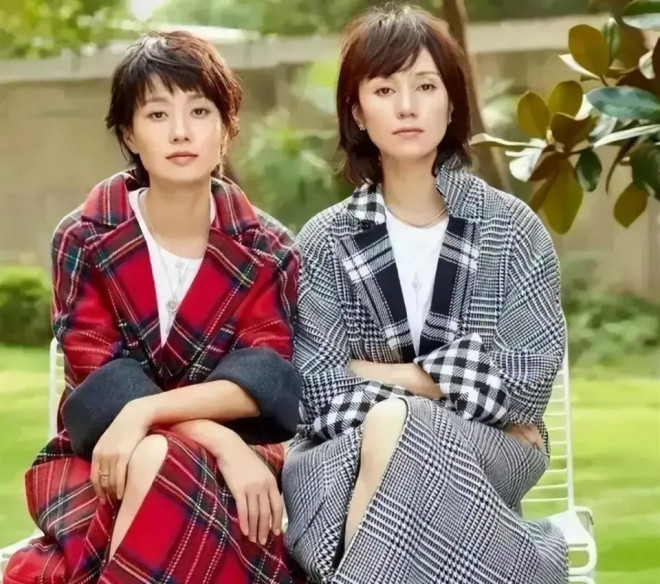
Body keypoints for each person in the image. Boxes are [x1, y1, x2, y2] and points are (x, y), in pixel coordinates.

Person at [282, 4, 568, 583]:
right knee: (395, 427)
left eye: (426, 86)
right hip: (344, 459)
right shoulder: (325, 240)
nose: (407, 106)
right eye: (385, 89)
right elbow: (315, 390)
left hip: (489, 455)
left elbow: (530, 377)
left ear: (452, 103)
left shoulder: (512, 229)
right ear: (358, 112)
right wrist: (453, 389)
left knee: (400, 424)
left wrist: (394, 379)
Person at [5, 31, 303, 584]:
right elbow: (101, 385)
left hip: (242, 460)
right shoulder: (86, 237)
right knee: (155, 458)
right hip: (103, 457)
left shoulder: (268, 248)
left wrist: (152, 415)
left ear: (226, 129)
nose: (181, 131)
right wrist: (207, 433)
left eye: (200, 111)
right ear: (129, 133)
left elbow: (264, 379)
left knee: (162, 460)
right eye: (158, 114)